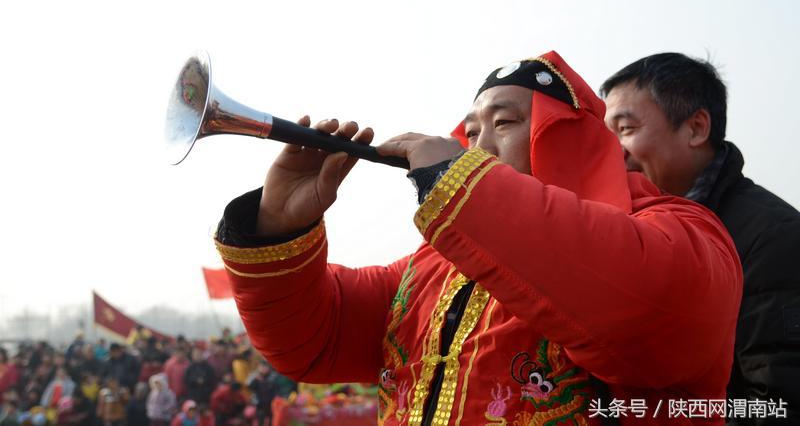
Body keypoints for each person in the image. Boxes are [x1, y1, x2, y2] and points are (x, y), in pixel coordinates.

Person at [214, 51, 743, 425]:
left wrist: (460, 185)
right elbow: (312, 341)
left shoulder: (681, 230)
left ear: (567, 139)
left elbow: (643, 299)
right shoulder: (431, 270)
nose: (476, 146)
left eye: (505, 123)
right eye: (470, 131)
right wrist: (278, 225)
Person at [601, 52, 800, 424]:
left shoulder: (771, 237)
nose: (613, 152)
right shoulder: (626, 227)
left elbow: (777, 403)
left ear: (696, 128)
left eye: (625, 130)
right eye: (605, 135)